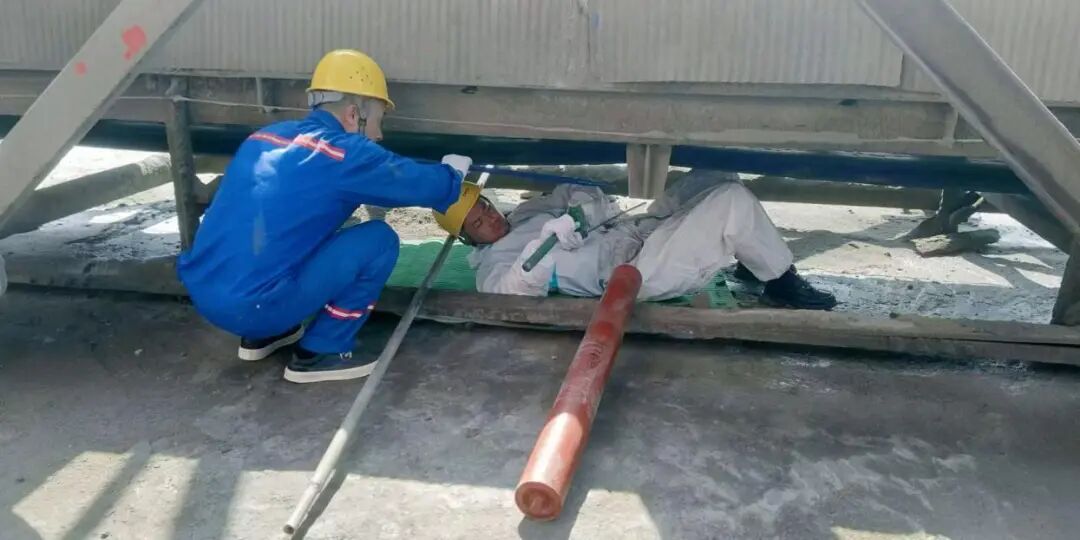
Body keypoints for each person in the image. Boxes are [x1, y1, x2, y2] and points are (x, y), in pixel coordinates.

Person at [178, 50, 472, 383]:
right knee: (379, 239)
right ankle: (322, 350)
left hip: (205, 295)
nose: (379, 135)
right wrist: (452, 175)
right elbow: (415, 183)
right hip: (255, 307)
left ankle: (267, 335)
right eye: (378, 120)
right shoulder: (343, 153)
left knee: (297, 231)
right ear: (353, 114)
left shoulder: (262, 138)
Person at [433, 169, 837, 309]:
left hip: (634, 232)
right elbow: (512, 290)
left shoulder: (523, 213)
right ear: (468, 238)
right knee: (731, 201)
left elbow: (578, 192)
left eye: (484, 206)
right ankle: (781, 283)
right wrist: (542, 246)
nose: (489, 218)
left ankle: (752, 264)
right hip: (633, 273)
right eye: (477, 222)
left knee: (715, 175)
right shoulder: (491, 267)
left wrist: (579, 216)